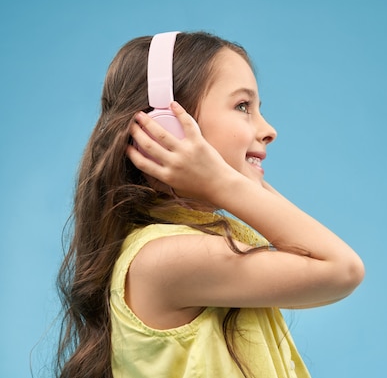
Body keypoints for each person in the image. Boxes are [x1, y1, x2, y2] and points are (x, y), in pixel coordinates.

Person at [56, 31, 365, 378]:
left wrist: (236, 180)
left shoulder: (185, 249)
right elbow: (342, 270)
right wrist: (225, 183)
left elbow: (325, 282)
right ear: (168, 128)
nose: (269, 129)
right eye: (243, 106)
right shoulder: (163, 258)